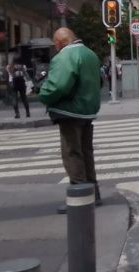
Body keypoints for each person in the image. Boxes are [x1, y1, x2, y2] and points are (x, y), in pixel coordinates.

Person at [39, 28, 103, 213]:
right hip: (87, 110)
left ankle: (80, 196)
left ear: (60, 42)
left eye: (55, 43)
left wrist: (43, 95)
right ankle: (94, 192)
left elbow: (58, 85)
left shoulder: (66, 56)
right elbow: (99, 82)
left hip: (70, 111)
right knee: (86, 151)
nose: (55, 47)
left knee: (72, 152)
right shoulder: (90, 54)